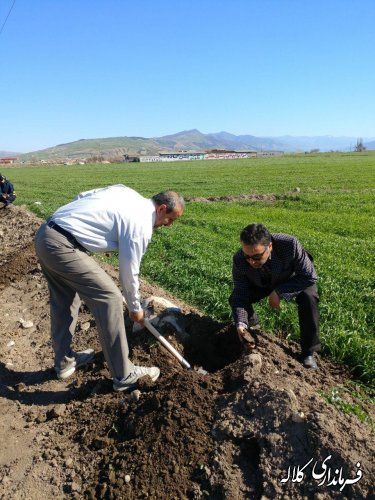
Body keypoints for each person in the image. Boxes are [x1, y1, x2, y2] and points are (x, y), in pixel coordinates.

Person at [34, 184, 185, 391]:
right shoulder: (141, 224)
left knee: (65, 299)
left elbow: (83, 196)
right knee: (110, 298)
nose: (169, 225)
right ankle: (124, 375)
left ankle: (64, 363)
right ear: (160, 209)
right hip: (63, 246)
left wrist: (98, 238)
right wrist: (135, 308)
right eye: (170, 219)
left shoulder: (126, 191)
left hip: (46, 234)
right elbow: (129, 272)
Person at [229, 223, 320, 369]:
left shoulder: (289, 244)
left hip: (292, 279)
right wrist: (240, 323)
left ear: (269, 246)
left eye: (257, 256)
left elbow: (309, 276)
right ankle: (252, 329)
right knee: (235, 299)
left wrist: (279, 292)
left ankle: (309, 352)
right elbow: (240, 293)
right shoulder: (239, 259)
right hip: (261, 282)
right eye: (248, 257)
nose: (252, 262)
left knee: (309, 297)